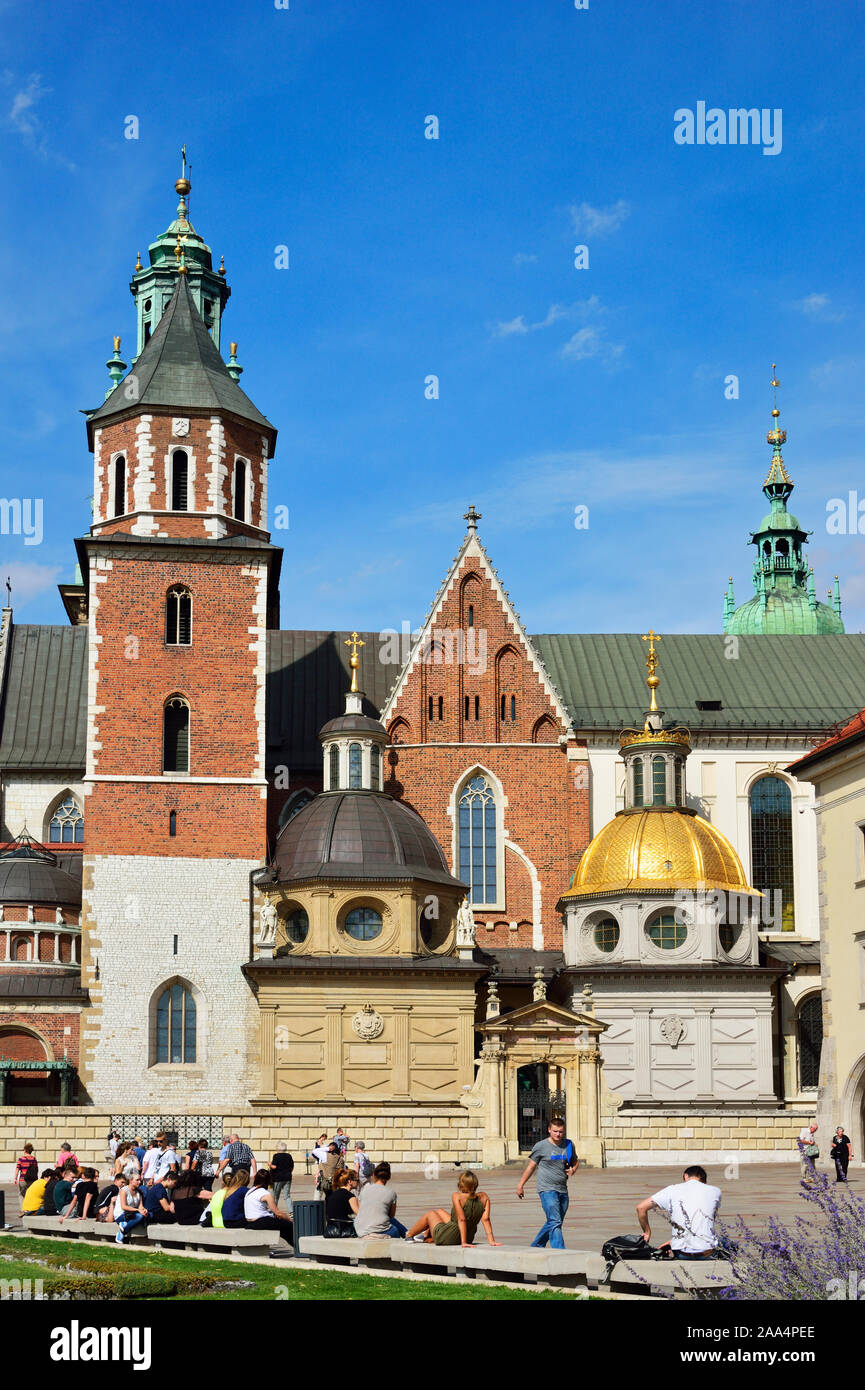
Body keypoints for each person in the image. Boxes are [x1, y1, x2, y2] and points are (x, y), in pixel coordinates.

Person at [516, 1117, 579, 1250]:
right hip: (546, 1189)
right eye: (555, 1131)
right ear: (549, 1130)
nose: (558, 1134)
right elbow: (531, 1167)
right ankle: (560, 1252)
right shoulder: (541, 1146)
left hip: (563, 1189)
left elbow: (575, 1160)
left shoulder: (568, 1144)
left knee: (555, 1221)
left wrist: (573, 1169)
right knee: (555, 1221)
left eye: (561, 1132)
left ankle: (536, 1246)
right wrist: (520, 1185)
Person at [636, 1165, 722, 1259]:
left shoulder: (672, 1189)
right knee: (729, 1244)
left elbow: (641, 1208)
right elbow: (707, 1222)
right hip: (708, 1253)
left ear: (685, 1176)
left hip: (681, 1253)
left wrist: (647, 1232)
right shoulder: (715, 1191)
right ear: (704, 1181)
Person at [404, 1170, 500, 1247]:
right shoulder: (484, 1197)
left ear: (461, 1185)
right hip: (469, 1237)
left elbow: (462, 1219)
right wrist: (491, 1241)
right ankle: (425, 1236)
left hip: (449, 1236)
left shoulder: (457, 1196)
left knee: (431, 1214)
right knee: (440, 1211)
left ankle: (409, 1235)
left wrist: (463, 1242)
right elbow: (486, 1220)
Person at [354, 1162, 407, 1239]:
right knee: (395, 1229)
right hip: (378, 1232)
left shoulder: (365, 1188)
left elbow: (360, 1209)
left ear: (374, 1175)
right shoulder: (391, 1193)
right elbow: (391, 1215)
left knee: (385, 1218)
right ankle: (408, 1235)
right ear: (388, 1177)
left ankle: (408, 1234)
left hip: (360, 1229)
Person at [242, 1170, 294, 1244]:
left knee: (281, 1226)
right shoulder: (265, 1194)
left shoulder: (250, 1191)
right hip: (261, 1222)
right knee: (288, 1225)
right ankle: (298, 1247)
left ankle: (296, 1246)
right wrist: (290, 1220)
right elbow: (278, 1213)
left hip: (249, 1222)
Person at [325, 1169, 360, 1237]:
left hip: (330, 1230)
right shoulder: (350, 1196)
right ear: (350, 1181)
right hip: (344, 1231)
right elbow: (360, 1213)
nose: (358, 1182)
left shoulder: (333, 1194)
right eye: (357, 1180)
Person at [114, 1174, 146, 1244]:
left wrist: (144, 1210)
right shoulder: (124, 1190)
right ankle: (122, 1233)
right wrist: (137, 1210)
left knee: (146, 1215)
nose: (139, 1182)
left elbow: (141, 1206)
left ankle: (124, 1227)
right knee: (139, 1216)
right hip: (121, 1215)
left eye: (140, 1180)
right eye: (137, 1180)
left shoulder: (139, 1192)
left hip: (131, 1214)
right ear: (131, 1181)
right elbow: (124, 1207)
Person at [270, 1142, 294, 1212]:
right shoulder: (289, 1156)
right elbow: (292, 1168)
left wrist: (269, 1164)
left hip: (278, 1178)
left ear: (277, 1149)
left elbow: (274, 1167)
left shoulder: (276, 1156)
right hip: (288, 1178)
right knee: (287, 1196)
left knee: (275, 1196)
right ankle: (291, 1211)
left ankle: (273, 1211)